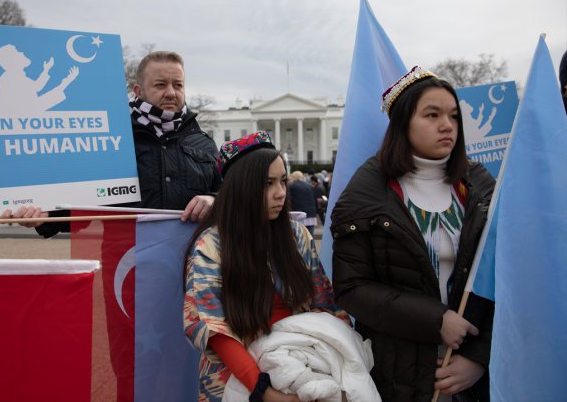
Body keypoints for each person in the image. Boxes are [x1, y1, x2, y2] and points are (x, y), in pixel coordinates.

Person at [331, 66, 495, 401]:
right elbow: (352, 287)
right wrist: (437, 320)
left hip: (471, 377)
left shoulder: (480, 185)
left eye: (452, 115)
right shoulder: (366, 193)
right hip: (397, 374)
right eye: (432, 115)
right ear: (403, 122)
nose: (447, 125)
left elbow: (510, 279)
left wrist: (479, 358)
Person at [184, 131, 349, 402]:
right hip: (235, 377)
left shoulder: (297, 236)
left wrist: (342, 360)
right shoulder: (211, 245)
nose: (280, 193)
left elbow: (326, 304)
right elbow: (212, 327)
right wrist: (264, 391)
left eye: (283, 181)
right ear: (241, 187)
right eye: (268, 183)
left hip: (306, 364)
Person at [2, 51, 221, 233]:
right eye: (161, 85)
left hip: (193, 264)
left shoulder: (203, 143)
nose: (171, 92)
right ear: (138, 91)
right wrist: (46, 216)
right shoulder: (112, 140)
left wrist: (214, 201)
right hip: (125, 265)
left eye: (178, 85)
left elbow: (232, 198)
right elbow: (84, 206)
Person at [286, 170, 318, 235]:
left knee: (300, 237)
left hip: (299, 214)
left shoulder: (291, 186)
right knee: (310, 237)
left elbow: (289, 200)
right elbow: (315, 200)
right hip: (311, 214)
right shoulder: (310, 186)